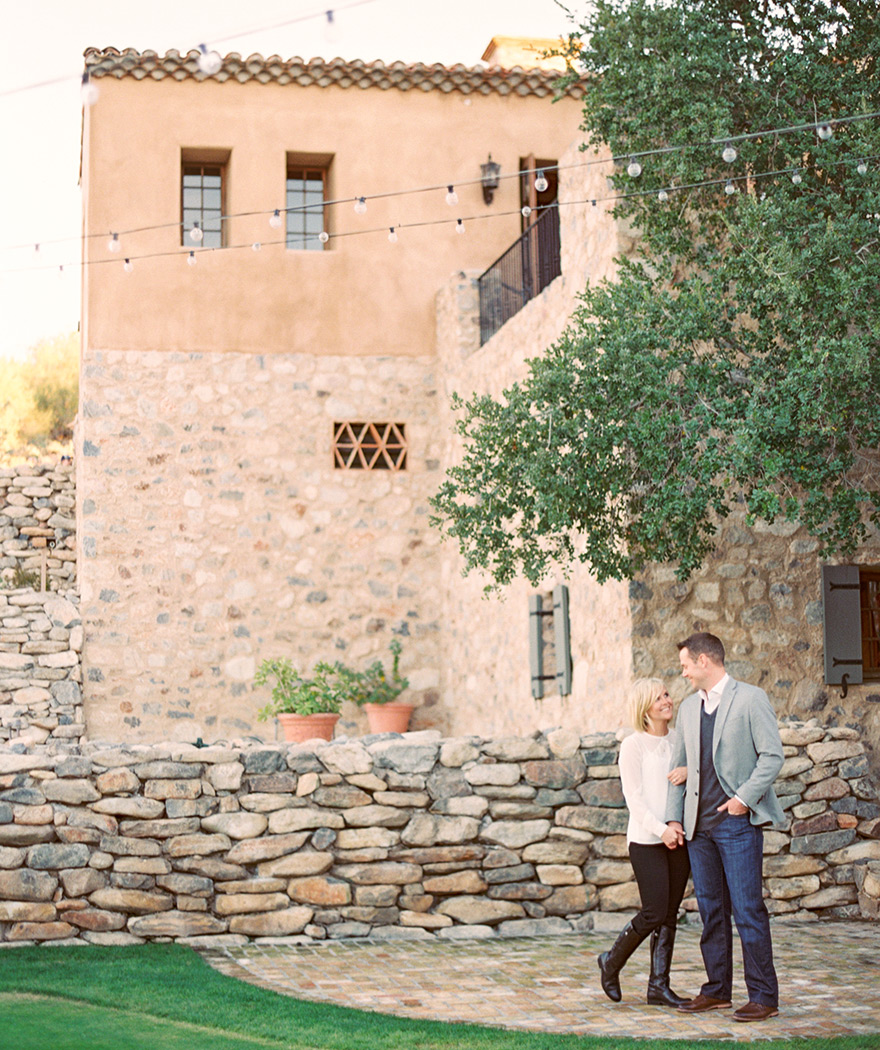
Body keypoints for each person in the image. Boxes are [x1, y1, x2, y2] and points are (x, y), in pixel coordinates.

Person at [665, 632, 785, 1023]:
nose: (683, 673)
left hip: (736, 824)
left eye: (685, 665)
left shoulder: (751, 699)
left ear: (704, 661)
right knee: (711, 912)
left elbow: (772, 756)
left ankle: (764, 997)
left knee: (749, 910)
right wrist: (674, 818)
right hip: (699, 830)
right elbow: (677, 771)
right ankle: (717, 991)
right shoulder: (686, 709)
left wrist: (743, 799)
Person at [598, 677, 690, 1006]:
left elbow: (685, 784)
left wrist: (675, 827)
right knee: (654, 911)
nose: (667, 700)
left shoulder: (680, 739)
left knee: (669, 913)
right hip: (645, 839)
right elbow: (634, 799)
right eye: (658, 698)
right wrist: (660, 828)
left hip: (677, 838)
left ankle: (658, 986)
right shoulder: (632, 745)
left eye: (666, 693)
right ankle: (610, 963)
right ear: (645, 708)